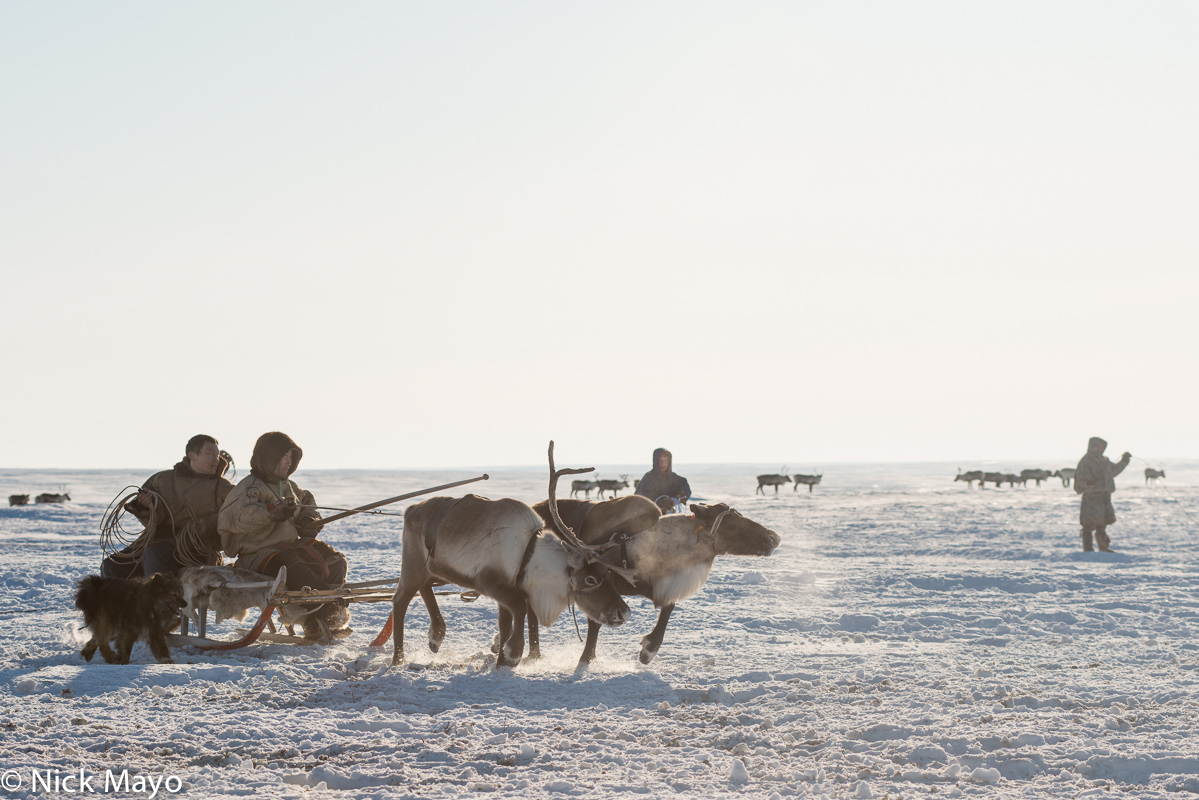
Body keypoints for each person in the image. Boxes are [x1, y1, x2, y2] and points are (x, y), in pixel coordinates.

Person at [217, 431, 349, 638]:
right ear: (269, 458)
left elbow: (307, 505)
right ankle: (326, 610)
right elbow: (242, 518)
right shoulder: (249, 487)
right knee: (293, 566)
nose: (288, 463)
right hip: (255, 554)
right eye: (284, 457)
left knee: (335, 560)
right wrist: (272, 513)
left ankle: (322, 616)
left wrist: (309, 520)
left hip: (289, 548)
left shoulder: (290, 487)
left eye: (291, 458)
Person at [101, 435, 233, 579]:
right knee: (111, 565)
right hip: (156, 541)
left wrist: (204, 528)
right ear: (192, 455)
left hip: (196, 550)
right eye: (210, 454)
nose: (216, 459)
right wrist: (145, 506)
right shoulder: (163, 479)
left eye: (217, 455)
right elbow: (154, 517)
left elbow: (236, 518)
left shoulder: (224, 488)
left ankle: (165, 599)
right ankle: (124, 601)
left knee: (154, 554)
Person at [1074, 436, 1131, 553]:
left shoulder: (1103, 460)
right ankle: (1088, 548)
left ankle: (1103, 547)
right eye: (1100, 446)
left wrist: (1124, 461)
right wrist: (1088, 483)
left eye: (1103, 447)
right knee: (1088, 525)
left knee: (1101, 524)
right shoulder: (1086, 461)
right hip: (1091, 497)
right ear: (1094, 447)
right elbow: (1080, 479)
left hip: (1104, 496)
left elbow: (1113, 471)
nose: (1102, 449)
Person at [635, 447, 692, 513]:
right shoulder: (649, 477)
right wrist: (663, 502)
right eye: (661, 460)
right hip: (648, 514)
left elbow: (684, 488)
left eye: (665, 460)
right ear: (656, 461)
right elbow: (645, 495)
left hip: (668, 514)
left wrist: (677, 498)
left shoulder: (674, 478)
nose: (663, 463)